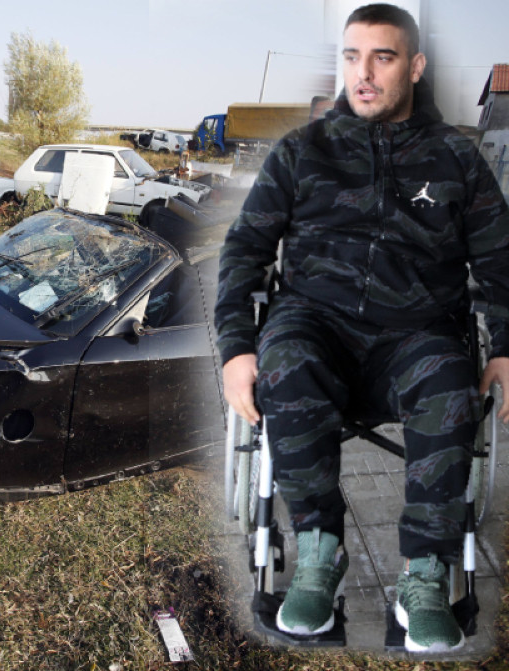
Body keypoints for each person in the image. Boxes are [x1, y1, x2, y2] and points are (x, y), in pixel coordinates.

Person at [214, 3, 509, 653]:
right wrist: (235, 348)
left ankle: (424, 577)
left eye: (383, 56)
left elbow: (499, 260)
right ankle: (320, 554)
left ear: (416, 66)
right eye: (352, 56)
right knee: (286, 361)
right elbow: (244, 251)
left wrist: (507, 347)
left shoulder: (456, 159)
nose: (364, 73)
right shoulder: (301, 152)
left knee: (450, 383)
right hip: (315, 325)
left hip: (418, 335)